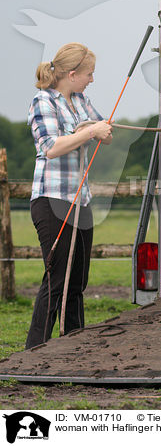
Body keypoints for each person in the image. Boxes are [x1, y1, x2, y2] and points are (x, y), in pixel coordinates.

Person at [25, 43, 113, 349]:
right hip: (52, 200)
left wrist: (99, 129)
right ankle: (34, 351)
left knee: (77, 282)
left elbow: (104, 130)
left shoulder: (81, 100)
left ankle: (76, 349)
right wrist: (90, 132)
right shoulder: (43, 101)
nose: (92, 79)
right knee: (57, 279)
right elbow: (50, 147)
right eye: (89, 74)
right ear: (72, 74)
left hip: (81, 201)